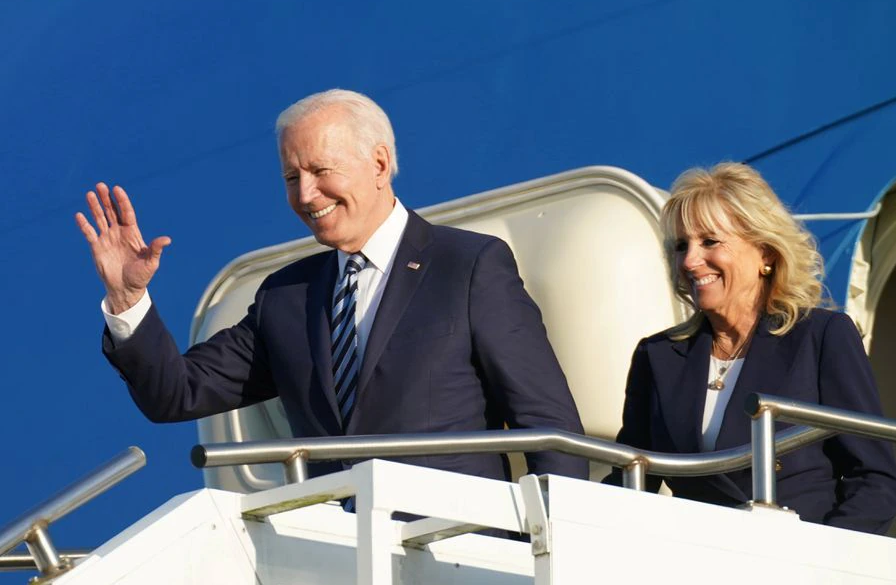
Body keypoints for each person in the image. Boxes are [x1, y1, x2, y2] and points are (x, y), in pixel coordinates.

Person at [76, 88, 588, 483]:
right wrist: (127, 298)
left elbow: (549, 428)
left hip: (459, 554)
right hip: (334, 563)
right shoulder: (286, 297)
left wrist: (549, 557)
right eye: (290, 177)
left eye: (320, 170)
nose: (305, 194)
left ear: (380, 164)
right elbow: (176, 395)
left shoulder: (469, 266)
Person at [612, 162, 896, 533]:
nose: (689, 260)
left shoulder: (821, 336)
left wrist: (826, 563)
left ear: (765, 252)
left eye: (709, 242)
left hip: (799, 562)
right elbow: (631, 487)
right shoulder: (657, 357)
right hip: (697, 562)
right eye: (681, 245)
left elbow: (875, 481)